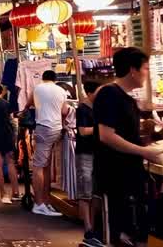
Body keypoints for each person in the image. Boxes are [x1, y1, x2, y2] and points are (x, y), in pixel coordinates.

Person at [94, 47, 163, 247]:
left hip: (130, 173)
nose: (147, 74)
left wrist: (153, 134)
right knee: (121, 231)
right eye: (146, 68)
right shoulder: (109, 94)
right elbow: (107, 136)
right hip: (115, 174)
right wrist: (144, 152)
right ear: (133, 70)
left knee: (136, 230)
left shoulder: (129, 99)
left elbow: (128, 134)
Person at [30, 69, 71, 217]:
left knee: (38, 166)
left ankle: (39, 203)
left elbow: (29, 103)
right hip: (57, 129)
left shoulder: (37, 88)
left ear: (43, 78)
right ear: (55, 79)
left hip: (44, 128)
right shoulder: (61, 90)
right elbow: (65, 111)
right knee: (46, 166)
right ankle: (47, 201)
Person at [75, 80, 102, 247]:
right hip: (85, 153)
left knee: (95, 193)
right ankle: (88, 228)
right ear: (90, 93)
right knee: (86, 192)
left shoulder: (99, 109)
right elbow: (83, 131)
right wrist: (101, 127)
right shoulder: (82, 109)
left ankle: (95, 226)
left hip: (98, 153)